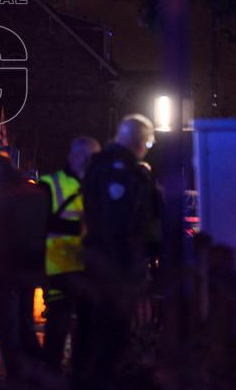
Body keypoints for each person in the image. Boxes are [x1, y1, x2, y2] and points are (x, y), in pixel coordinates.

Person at [79, 114, 164, 389]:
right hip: (117, 268)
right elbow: (121, 222)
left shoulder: (99, 167)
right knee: (112, 337)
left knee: (96, 335)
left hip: (97, 263)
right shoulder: (123, 171)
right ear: (140, 141)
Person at [0, 152, 48, 382]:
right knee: (25, 321)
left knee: (6, 325)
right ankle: (39, 370)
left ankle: (16, 375)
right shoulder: (33, 190)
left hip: (1, 268)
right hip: (31, 266)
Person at [40, 136, 100, 373]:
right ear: (74, 156)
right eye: (88, 157)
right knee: (58, 326)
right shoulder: (50, 184)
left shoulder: (96, 185)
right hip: (59, 269)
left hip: (89, 269)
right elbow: (41, 223)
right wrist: (80, 229)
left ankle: (79, 375)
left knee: (87, 329)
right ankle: (51, 374)